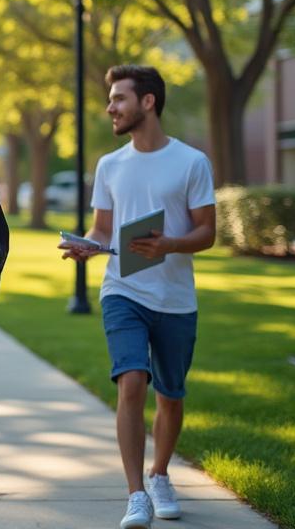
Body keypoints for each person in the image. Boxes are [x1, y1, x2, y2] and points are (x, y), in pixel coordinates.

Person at [58, 65, 216, 529]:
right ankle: (136, 495)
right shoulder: (110, 165)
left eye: (119, 99)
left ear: (148, 102)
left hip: (175, 298)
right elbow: (103, 229)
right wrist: (89, 244)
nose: (110, 107)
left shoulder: (191, 162)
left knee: (171, 394)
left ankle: (161, 473)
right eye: (111, 99)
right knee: (132, 381)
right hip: (122, 289)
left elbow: (207, 232)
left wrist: (168, 244)